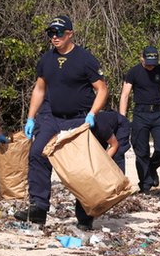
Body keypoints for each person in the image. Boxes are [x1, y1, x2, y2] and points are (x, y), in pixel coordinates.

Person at [17, 15, 108, 230]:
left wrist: (92, 114)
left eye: (59, 33)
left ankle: (85, 216)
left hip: (79, 118)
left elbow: (102, 89)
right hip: (53, 118)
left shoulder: (85, 59)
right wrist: (31, 117)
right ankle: (38, 208)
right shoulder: (46, 60)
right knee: (37, 154)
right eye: (51, 33)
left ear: (70, 34)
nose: (54, 37)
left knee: (80, 168)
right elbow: (40, 89)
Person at [120, 46, 160, 194]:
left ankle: (152, 167)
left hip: (158, 113)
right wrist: (122, 119)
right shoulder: (133, 72)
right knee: (141, 151)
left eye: (154, 62)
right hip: (140, 113)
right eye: (148, 62)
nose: (151, 65)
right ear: (142, 57)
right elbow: (125, 95)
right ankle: (145, 185)